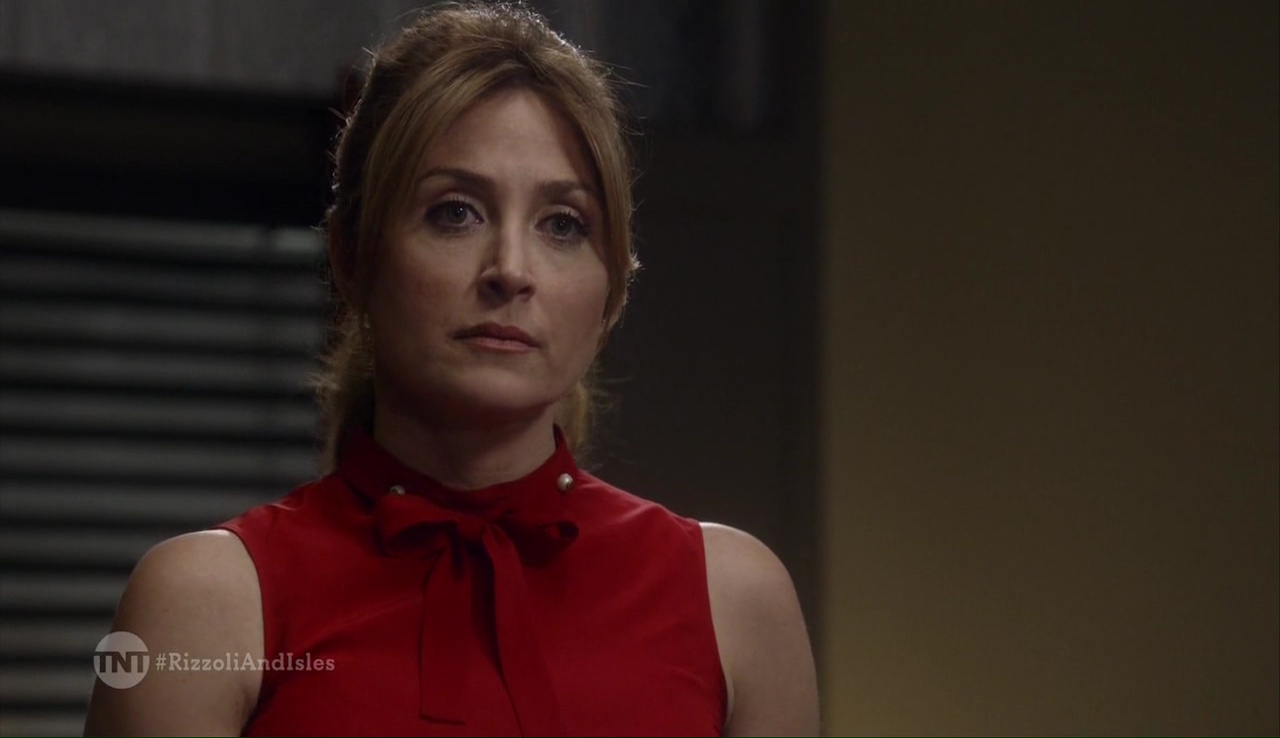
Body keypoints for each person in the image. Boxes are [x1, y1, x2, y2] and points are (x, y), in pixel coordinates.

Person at [84, 3, 818, 735]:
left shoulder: (734, 601)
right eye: (455, 213)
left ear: (613, 293)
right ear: (351, 256)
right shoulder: (207, 603)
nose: (511, 270)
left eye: (563, 225)